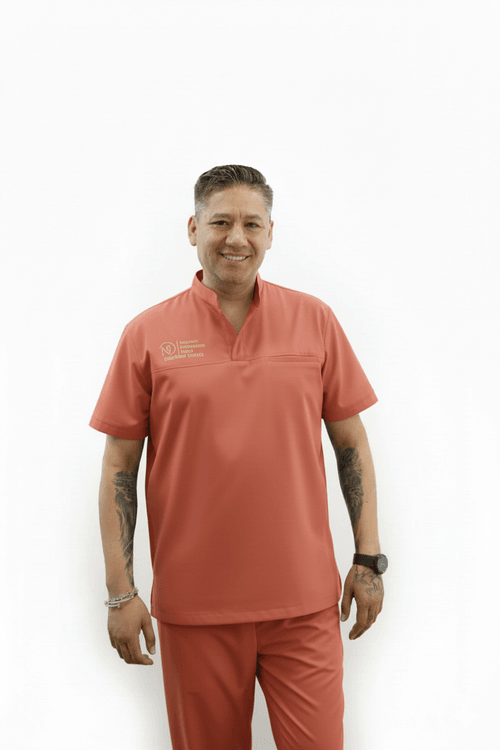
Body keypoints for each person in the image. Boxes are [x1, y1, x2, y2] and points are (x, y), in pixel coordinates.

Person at [90, 164, 387, 750]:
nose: (236, 238)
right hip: (194, 609)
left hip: (304, 604)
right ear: (193, 228)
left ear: (271, 232)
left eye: (252, 223)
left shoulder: (315, 320)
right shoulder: (147, 334)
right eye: (220, 222)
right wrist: (121, 593)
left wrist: (368, 560)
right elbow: (118, 468)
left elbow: (351, 444)